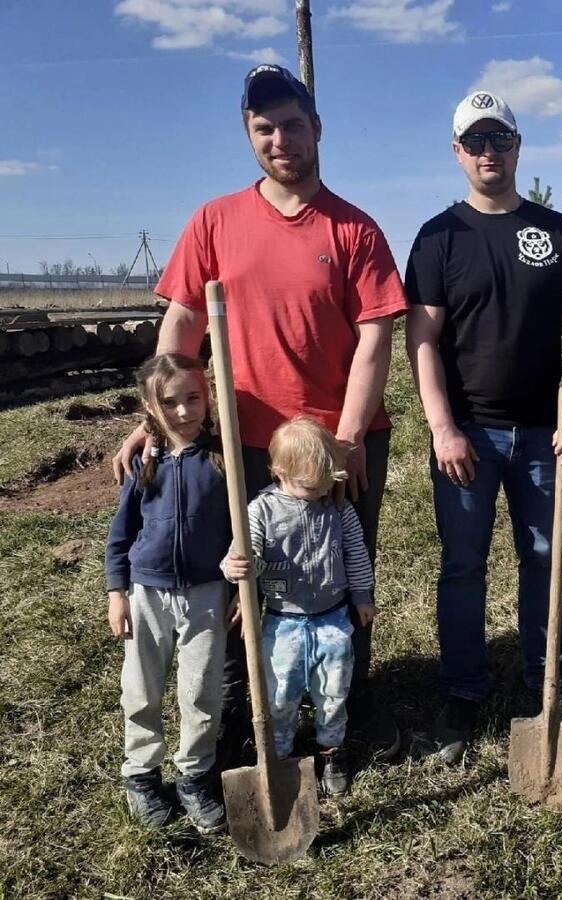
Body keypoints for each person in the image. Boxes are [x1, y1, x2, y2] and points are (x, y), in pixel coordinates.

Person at [111, 65, 408, 764]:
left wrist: (349, 436)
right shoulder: (214, 221)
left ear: (317, 130)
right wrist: (156, 419)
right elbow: (183, 323)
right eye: (264, 128)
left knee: (335, 574)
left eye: (293, 125)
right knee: (242, 575)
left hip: (333, 441)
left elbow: (375, 338)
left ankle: (341, 713)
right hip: (241, 441)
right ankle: (251, 716)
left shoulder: (355, 229)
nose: (280, 140)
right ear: (249, 134)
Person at [404, 90, 562, 764]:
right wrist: (441, 427)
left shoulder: (557, 231)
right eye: (476, 142)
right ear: (458, 152)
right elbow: (422, 339)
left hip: (543, 436)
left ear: (519, 148)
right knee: (463, 566)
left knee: (543, 559)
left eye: (502, 140)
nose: (490, 152)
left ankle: (542, 675)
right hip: (467, 434)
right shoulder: (438, 237)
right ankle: (462, 689)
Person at [105, 353, 232, 833]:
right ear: (149, 406)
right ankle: (141, 773)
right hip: (147, 592)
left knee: (200, 691)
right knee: (142, 687)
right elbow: (121, 533)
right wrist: (117, 591)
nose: (183, 412)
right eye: (170, 402)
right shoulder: (143, 461)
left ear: (207, 395)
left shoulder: (223, 457)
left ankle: (195, 776)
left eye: (192, 398)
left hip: (207, 593)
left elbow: (244, 526)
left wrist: (240, 584)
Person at [223, 417, 375, 796]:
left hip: (332, 618)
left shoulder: (337, 509)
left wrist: (361, 595)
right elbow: (245, 554)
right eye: (312, 484)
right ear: (280, 471)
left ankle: (331, 750)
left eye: (327, 480)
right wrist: (238, 567)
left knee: (334, 688)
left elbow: (356, 552)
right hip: (284, 620)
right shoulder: (260, 511)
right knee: (281, 691)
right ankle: (281, 752)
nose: (323, 489)